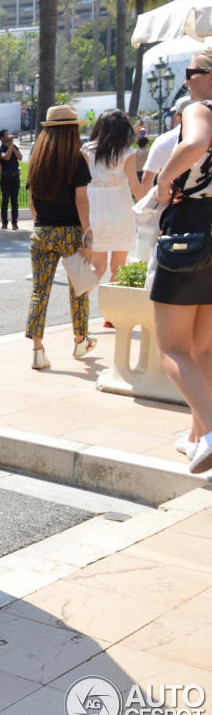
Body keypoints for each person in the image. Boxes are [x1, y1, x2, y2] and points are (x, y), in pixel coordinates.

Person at [150, 48, 212, 473]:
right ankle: (196, 436)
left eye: (191, 72)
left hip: (188, 231)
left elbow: (197, 143)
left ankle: (209, 430)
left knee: (171, 347)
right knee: (202, 348)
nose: (186, 80)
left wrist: (163, 177)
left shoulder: (199, 108)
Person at [26, 105, 95, 370]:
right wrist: (87, 235)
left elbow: (33, 202)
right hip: (70, 233)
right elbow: (81, 199)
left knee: (39, 292)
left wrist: (41, 226)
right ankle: (80, 341)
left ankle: (38, 351)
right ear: (72, 130)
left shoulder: (37, 159)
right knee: (79, 287)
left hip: (42, 231)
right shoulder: (76, 159)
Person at [82, 110, 143, 288]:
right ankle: (112, 313)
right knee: (119, 268)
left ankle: (80, 307)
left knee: (97, 266)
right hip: (120, 208)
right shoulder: (127, 152)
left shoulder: (87, 149)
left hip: (95, 208)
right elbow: (135, 186)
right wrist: (149, 207)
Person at [142, 98, 193, 193]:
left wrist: (152, 204)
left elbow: (147, 179)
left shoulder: (162, 140)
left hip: (171, 199)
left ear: (177, 116)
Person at [0, 129, 23, 230]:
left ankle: (15, 223)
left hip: (15, 176)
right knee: (5, 200)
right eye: (7, 135)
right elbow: (6, 157)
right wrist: (10, 146)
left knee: (15, 201)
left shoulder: (14, 147)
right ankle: (4, 222)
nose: (9, 136)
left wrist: (12, 146)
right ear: (2, 138)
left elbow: (20, 157)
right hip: (6, 178)